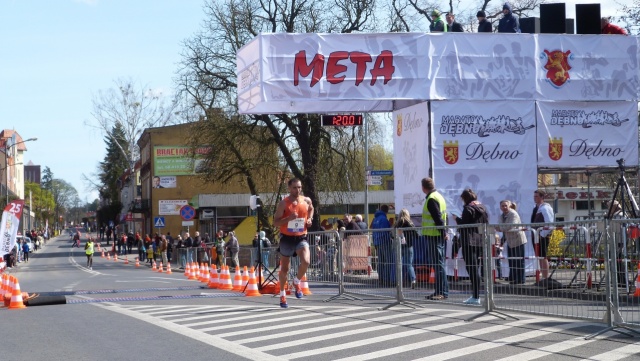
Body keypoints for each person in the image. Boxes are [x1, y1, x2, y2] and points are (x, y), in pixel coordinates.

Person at [273, 177, 314, 308]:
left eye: (299, 187)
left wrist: (310, 219)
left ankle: (297, 281)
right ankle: (282, 294)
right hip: (287, 238)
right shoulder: (283, 203)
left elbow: (311, 208)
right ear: (289, 188)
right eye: (295, 187)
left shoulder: (306, 200)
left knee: (306, 261)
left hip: (301, 237)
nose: (298, 190)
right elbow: (275, 222)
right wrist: (288, 219)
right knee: (285, 268)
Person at [452, 189, 489, 305]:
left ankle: (476, 296)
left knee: (471, 269)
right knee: (475, 268)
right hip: (479, 240)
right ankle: (476, 295)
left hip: (469, 241)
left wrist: (457, 219)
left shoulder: (468, 208)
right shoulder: (482, 208)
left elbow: (464, 225)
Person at [421, 177, 449, 300]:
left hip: (434, 235)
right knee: (439, 264)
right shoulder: (439, 196)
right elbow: (444, 216)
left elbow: (438, 218)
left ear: (423, 187)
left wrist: (443, 231)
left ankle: (441, 292)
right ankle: (440, 290)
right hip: (437, 234)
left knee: (438, 265)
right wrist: (445, 231)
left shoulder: (431, 199)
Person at [496, 200, 527, 284]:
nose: (504, 207)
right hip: (510, 240)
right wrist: (501, 228)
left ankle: (520, 279)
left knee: (519, 260)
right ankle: (513, 277)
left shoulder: (513, 214)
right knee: (512, 260)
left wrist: (501, 228)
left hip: (518, 240)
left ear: (509, 206)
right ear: (500, 207)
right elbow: (499, 225)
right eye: (502, 206)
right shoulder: (501, 215)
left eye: (506, 205)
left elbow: (511, 225)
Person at [531, 189, 554, 283]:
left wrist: (542, 235)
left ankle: (545, 277)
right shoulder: (536, 208)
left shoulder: (545, 208)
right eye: (534, 196)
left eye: (537, 196)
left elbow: (549, 223)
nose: (535, 198)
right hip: (536, 236)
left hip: (541, 236)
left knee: (543, 256)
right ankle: (543, 277)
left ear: (542, 197)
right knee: (539, 256)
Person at [395, 208, 418, 289]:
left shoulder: (397, 223)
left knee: (399, 264)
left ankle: (398, 281)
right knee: (409, 264)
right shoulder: (410, 223)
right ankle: (413, 280)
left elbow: (392, 235)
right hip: (409, 246)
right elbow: (416, 234)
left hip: (399, 246)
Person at [371, 204, 393, 286]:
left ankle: (381, 278)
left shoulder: (376, 218)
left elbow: (373, 231)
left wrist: (374, 242)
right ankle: (386, 279)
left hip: (377, 242)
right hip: (384, 241)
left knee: (380, 261)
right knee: (388, 261)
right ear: (387, 211)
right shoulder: (384, 219)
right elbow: (386, 231)